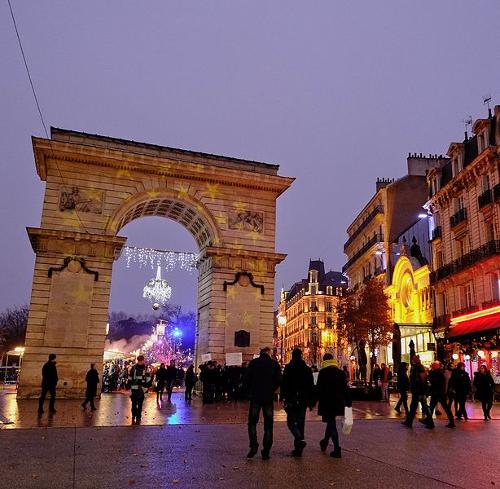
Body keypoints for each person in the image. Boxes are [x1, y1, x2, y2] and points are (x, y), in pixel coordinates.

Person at [245, 347, 282, 460]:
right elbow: (279, 380)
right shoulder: (274, 364)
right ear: (268, 353)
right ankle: (266, 450)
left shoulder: (253, 363)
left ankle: (254, 446)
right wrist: (271, 389)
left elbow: (247, 379)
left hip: (255, 396)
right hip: (268, 397)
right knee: (268, 425)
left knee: (252, 422)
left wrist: (251, 390)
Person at [316, 353, 352, 458]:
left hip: (327, 402)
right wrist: (348, 403)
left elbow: (318, 388)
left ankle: (337, 448)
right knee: (330, 421)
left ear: (324, 361)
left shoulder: (323, 372)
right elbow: (345, 389)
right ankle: (325, 441)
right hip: (338, 402)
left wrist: (312, 401)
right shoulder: (341, 373)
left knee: (331, 423)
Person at [281, 348, 315, 456]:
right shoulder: (307, 369)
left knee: (290, 421)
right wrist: (311, 401)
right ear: (301, 356)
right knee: (301, 423)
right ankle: (298, 449)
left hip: (291, 398)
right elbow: (311, 386)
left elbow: (284, 383)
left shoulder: (289, 367)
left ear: (292, 356)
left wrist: (283, 397)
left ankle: (299, 439)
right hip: (303, 400)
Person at [403, 355, 434, 429]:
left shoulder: (419, 367)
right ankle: (409, 421)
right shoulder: (416, 367)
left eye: (414, 359)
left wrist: (422, 390)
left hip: (419, 390)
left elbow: (423, 379)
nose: (413, 360)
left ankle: (430, 422)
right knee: (415, 406)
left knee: (423, 407)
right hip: (417, 390)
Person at [428, 361, 455, 428]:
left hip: (436, 393)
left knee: (431, 407)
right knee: (445, 407)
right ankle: (451, 421)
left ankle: (429, 422)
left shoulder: (434, 373)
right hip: (441, 393)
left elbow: (432, 382)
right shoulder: (441, 373)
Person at [128, 355, 152, 424]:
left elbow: (148, 378)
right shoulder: (134, 368)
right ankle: (134, 416)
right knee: (134, 404)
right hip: (135, 389)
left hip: (142, 389)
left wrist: (147, 386)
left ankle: (138, 417)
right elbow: (130, 377)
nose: (140, 362)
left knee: (140, 405)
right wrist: (128, 384)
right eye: (139, 360)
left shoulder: (145, 368)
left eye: (141, 360)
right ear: (138, 360)